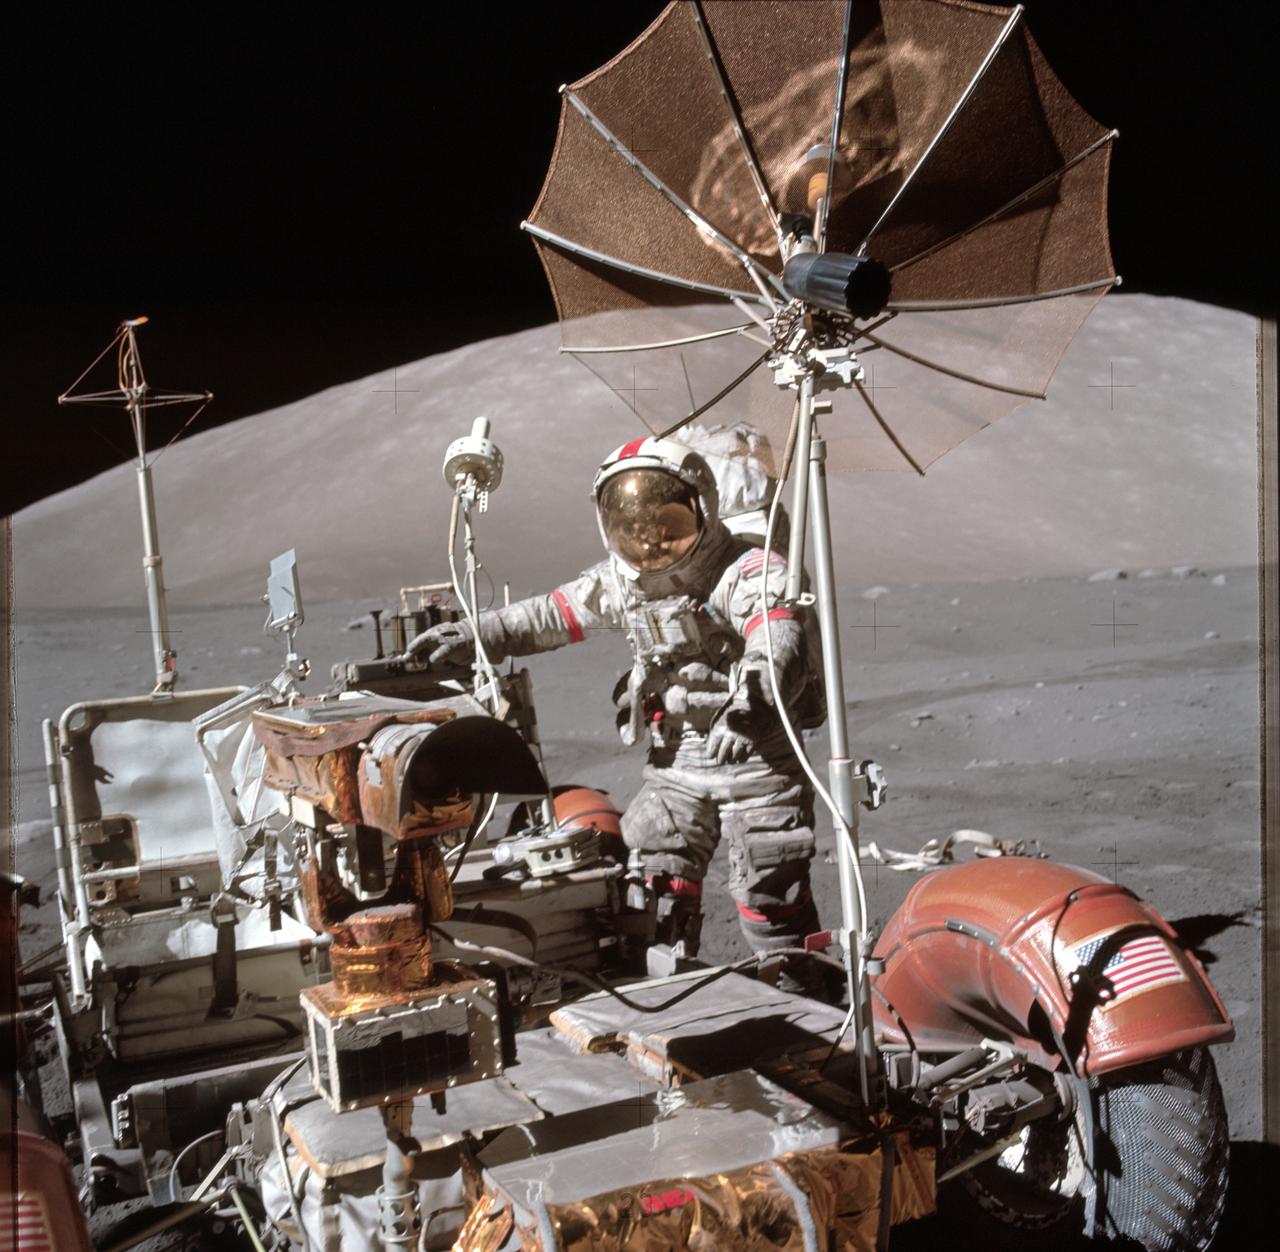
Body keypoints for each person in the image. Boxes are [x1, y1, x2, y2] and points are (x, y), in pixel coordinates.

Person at [405, 435, 826, 993]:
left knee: (771, 902)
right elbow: (547, 617)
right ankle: (680, 1003)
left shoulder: (742, 570)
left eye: (667, 523)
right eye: (633, 527)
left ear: (701, 507)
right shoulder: (620, 585)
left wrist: (750, 700)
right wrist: (470, 633)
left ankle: (815, 1016)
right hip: (677, 766)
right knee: (653, 896)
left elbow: (776, 635)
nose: (651, 541)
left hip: (756, 762)